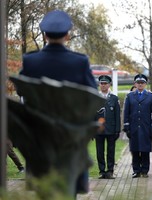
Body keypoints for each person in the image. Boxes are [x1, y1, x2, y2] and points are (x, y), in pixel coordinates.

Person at [19, 10, 97, 194]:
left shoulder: (30, 61)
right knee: (68, 191)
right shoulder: (79, 62)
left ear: (44, 35)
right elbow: (93, 98)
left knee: (43, 191)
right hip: (69, 140)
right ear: (68, 35)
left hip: (40, 139)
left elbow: (22, 89)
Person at [123, 74, 152, 178]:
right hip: (134, 127)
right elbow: (126, 112)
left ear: (146, 84)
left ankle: (145, 170)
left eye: (142, 83)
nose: (140, 84)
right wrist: (126, 126)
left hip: (146, 127)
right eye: (138, 83)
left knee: (145, 150)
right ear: (135, 84)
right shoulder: (130, 96)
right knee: (135, 149)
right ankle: (136, 170)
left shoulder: (151, 96)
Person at [95, 75, 120, 179]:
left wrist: (117, 130)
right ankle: (102, 171)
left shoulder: (114, 98)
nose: (103, 85)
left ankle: (110, 171)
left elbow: (117, 115)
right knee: (99, 151)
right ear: (99, 84)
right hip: (98, 129)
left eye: (105, 83)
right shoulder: (95, 97)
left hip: (111, 129)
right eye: (102, 83)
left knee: (111, 151)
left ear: (109, 84)